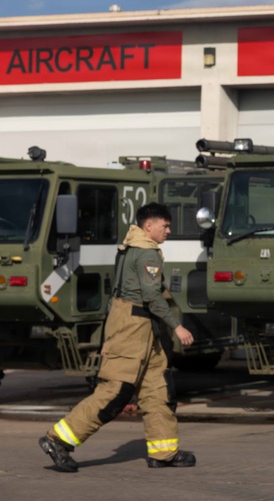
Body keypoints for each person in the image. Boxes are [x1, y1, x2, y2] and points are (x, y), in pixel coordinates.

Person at [39, 202, 197, 472]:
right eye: (165, 225)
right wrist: (177, 326)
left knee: (158, 390)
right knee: (116, 391)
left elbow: (117, 296)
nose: (168, 230)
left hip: (140, 329)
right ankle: (59, 440)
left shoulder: (128, 248)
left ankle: (164, 452)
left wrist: (107, 340)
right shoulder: (146, 253)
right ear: (149, 226)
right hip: (134, 329)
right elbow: (151, 296)